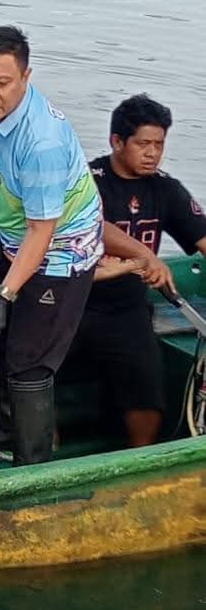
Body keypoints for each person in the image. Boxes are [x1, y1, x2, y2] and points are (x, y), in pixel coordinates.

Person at [0, 25, 105, 467]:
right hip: (13, 234)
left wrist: (5, 294)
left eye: (1, 83)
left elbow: (43, 231)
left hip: (62, 247)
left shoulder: (41, 142)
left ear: (26, 77)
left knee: (28, 362)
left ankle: (31, 463)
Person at [75, 95, 206, 446]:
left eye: (159, 145)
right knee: (32, 371)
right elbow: (93, 227)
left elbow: (202, 237)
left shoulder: (165, 188)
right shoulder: (88, 181)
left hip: (126, 310)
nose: (152, 153)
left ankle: (141, 458)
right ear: (117, 142)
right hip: (72, 304)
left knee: (146, 388)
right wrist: (144, 256)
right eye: (143, 144)